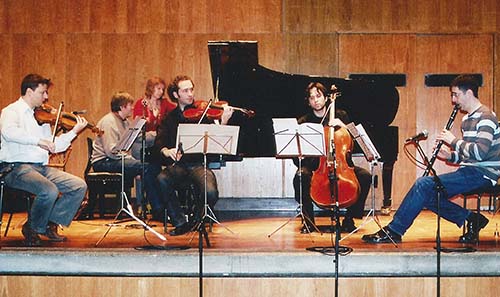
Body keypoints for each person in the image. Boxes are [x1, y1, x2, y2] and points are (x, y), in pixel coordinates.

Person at [362, 75, 499, 244]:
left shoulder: (486, 117)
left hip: (484, 175)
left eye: (455, 95)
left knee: (423, 185)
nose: (453, 99)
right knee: (426, 193)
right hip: (470, 171)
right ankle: (471, 219)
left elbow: (479, 153)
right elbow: (468, 156)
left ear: (468, 93)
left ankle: (394, 231)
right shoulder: (467, 120)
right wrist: (450, 156)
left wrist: (453, 141)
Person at [0, 73, 88, 246]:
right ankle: (32, 228)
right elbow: (8, 132)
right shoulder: (11, 111)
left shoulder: (41, 117)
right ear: (29, 92)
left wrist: (74, 132)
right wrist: (38, 141)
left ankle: (48, 223)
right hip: (15, 168)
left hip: (40, 168)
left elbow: (54, 145)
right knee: (49, 190)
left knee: (78, 186)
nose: (46, 97)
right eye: (43, 92)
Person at [152, 75, 233, 236]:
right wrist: (167, 151)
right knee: (161, 179)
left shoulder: (204, 115)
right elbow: (159, 145)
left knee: (210, 192)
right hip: (179, 167)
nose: (190, 94)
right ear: (176, 95)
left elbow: (217, 142)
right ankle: (180, 221)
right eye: (185, 90)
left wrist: (223, 122)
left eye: (191, 89)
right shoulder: (169, 118)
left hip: (198, 165)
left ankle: (197, 220)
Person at [294, 82, 371, 234]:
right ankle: (309, 221)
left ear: (325, 98)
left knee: (365, 176)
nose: (315, 100)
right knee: (301, 176)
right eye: (311, 98)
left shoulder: (341, 115)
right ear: (308, 102)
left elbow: (356, 140)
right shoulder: (304, 121)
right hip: (316, 166)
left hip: (341, 164)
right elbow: (297, 156)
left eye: (318, 96)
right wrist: (301, 156)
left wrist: (343, 125)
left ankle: (349, 219)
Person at [90, 91, 163, 220]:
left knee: (152, 166)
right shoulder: (109, 122)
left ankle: (157, 207)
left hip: (113, 160)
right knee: (146, 167)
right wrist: (131, 159)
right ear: (122, 107)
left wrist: (159, 135)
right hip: (104, 162)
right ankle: (158, 209)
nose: (132, 108)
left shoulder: (124, 122)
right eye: (130, 105)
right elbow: (111, 151)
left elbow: (137, 137)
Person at [131, 76, 176, 214]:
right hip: (143, 143)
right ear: (151, 89)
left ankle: (157, 203)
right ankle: (140, 203)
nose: (161, 92)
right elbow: (139, 128)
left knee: (157, 167)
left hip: (156, 143)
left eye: (162, 89)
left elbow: (176, 110)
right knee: (143, 169)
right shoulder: (141, 104)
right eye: (158, 89)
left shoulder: (164, 103)